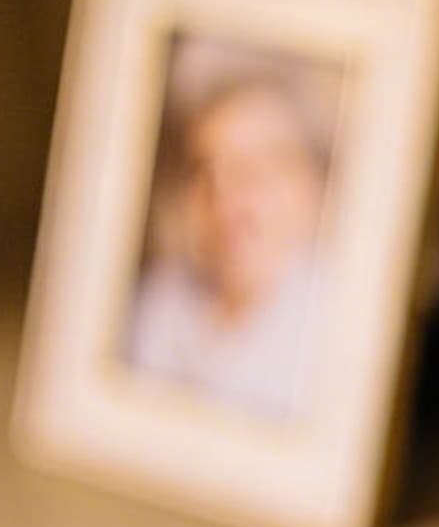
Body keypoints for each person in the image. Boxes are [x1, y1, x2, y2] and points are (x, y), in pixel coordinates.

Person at [124, 50, 336, 421]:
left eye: (257, 170)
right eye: (204, 171)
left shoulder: (341, 329)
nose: (226, 202)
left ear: (316, 188)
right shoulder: (157, 304)